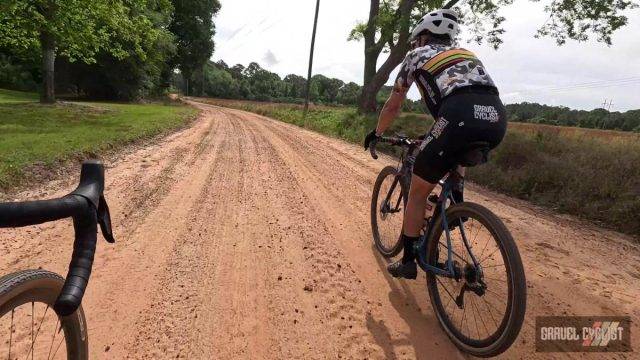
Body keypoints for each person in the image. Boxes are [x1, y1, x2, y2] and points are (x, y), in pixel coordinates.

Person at [364, 8, 507, 279]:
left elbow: (394, 104)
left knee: (418, 192)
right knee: (455, 152)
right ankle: (456, 203)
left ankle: (407, 262)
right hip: (496, 118)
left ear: (422, 37)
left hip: (458, 116)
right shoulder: (466, 54)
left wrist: (377, 132)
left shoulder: (415, 56)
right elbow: (462, 97)